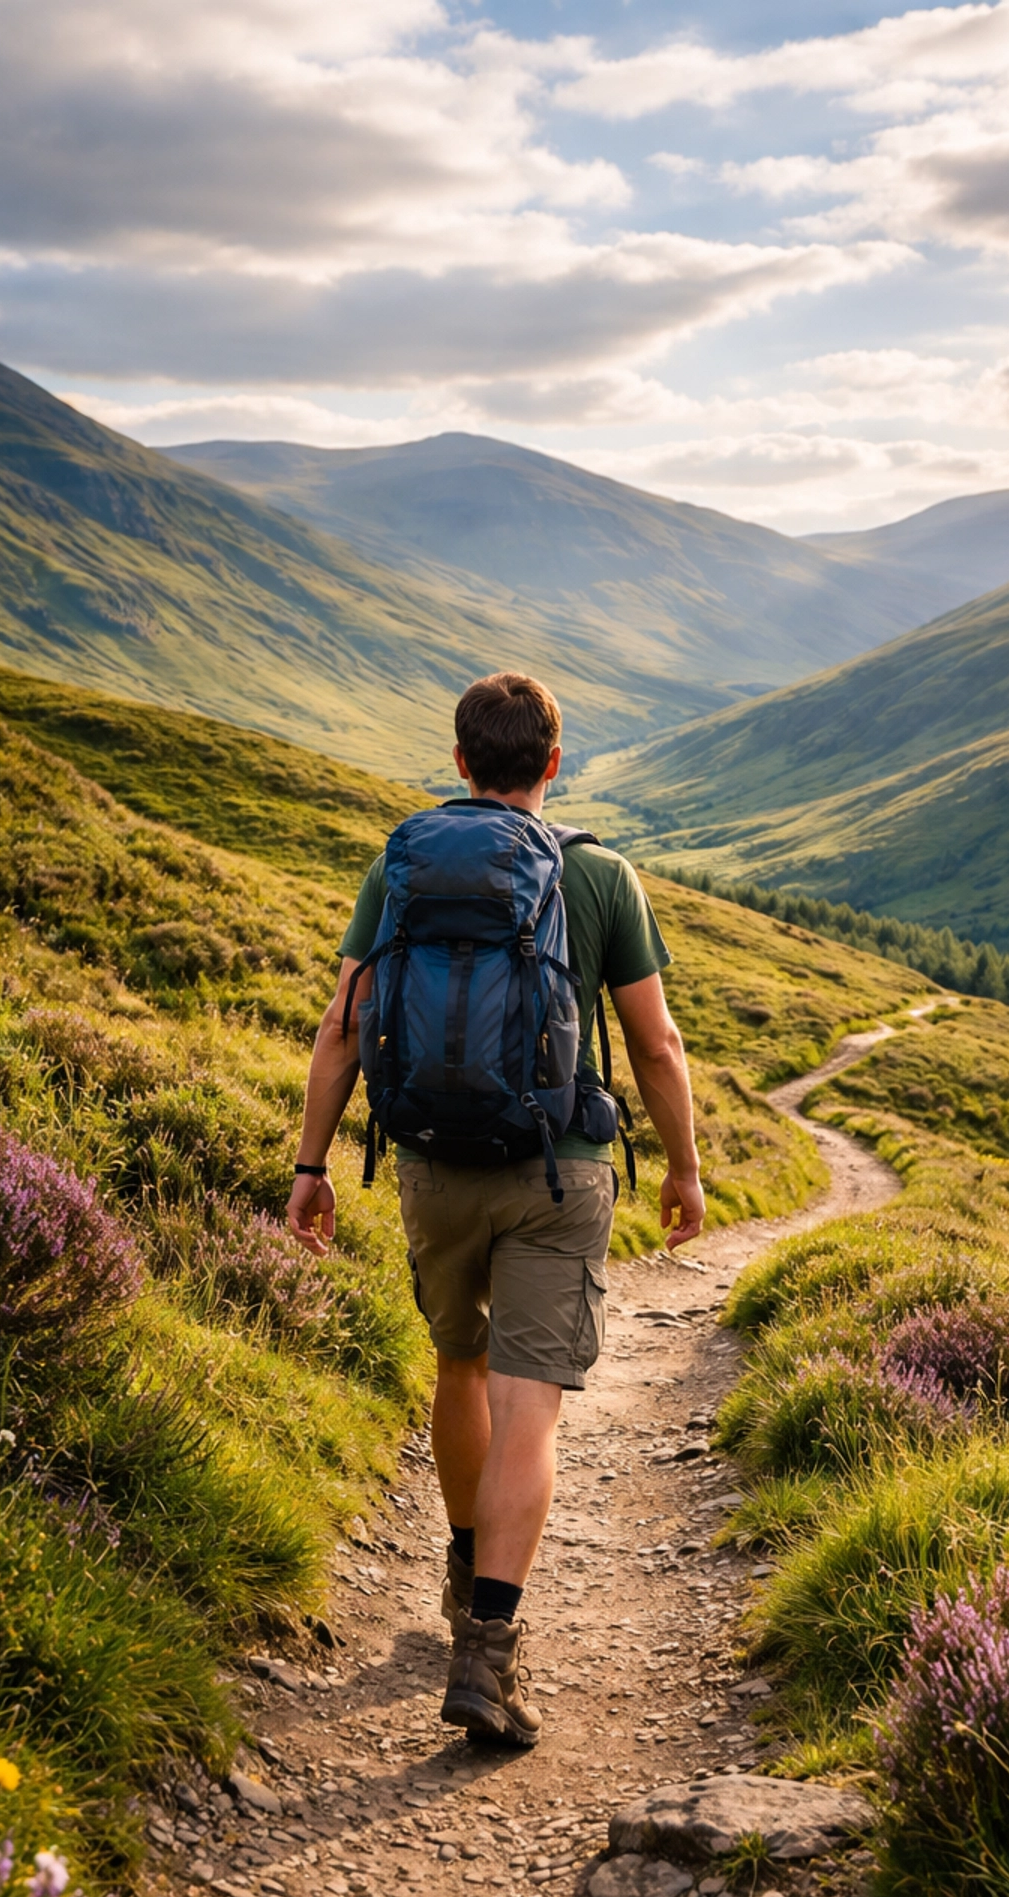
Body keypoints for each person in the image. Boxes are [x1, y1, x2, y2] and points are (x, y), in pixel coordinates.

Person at [287, 671, 704, 1750]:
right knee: (532, 1407)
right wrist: (685, 1168)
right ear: (552, 766)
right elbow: (655, 1044)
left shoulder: (402, 863)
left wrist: (312, 1164)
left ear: (462, 761)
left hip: (430, 1165)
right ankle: (488, 1652)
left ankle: (463, 1566)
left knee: (459, 1371)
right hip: (558, 1171)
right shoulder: (600, 874)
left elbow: (343, 1026)